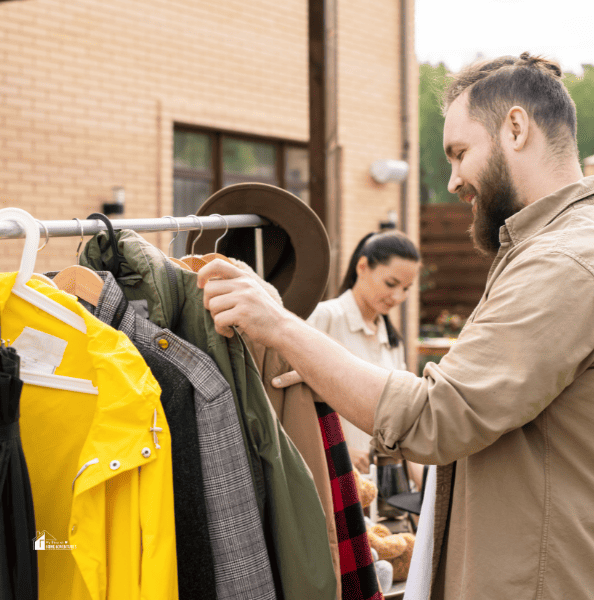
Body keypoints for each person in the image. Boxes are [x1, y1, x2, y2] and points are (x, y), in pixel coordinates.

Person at [197, 52, 594, 599]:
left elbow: (437, 416)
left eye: (459, 153)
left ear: (516, 128)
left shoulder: (563, 263)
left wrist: (281, 328)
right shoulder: (553, 251)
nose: (453, 179)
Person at [306, 229, 422, 485]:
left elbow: (402, 417)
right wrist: (337, 452)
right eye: (391, 284)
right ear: (362, 267)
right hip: (329, 479)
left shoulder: (392, 340)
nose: (398, 297)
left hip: (382, 489)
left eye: (406, 288)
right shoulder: (324, 318)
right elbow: (293, 403)